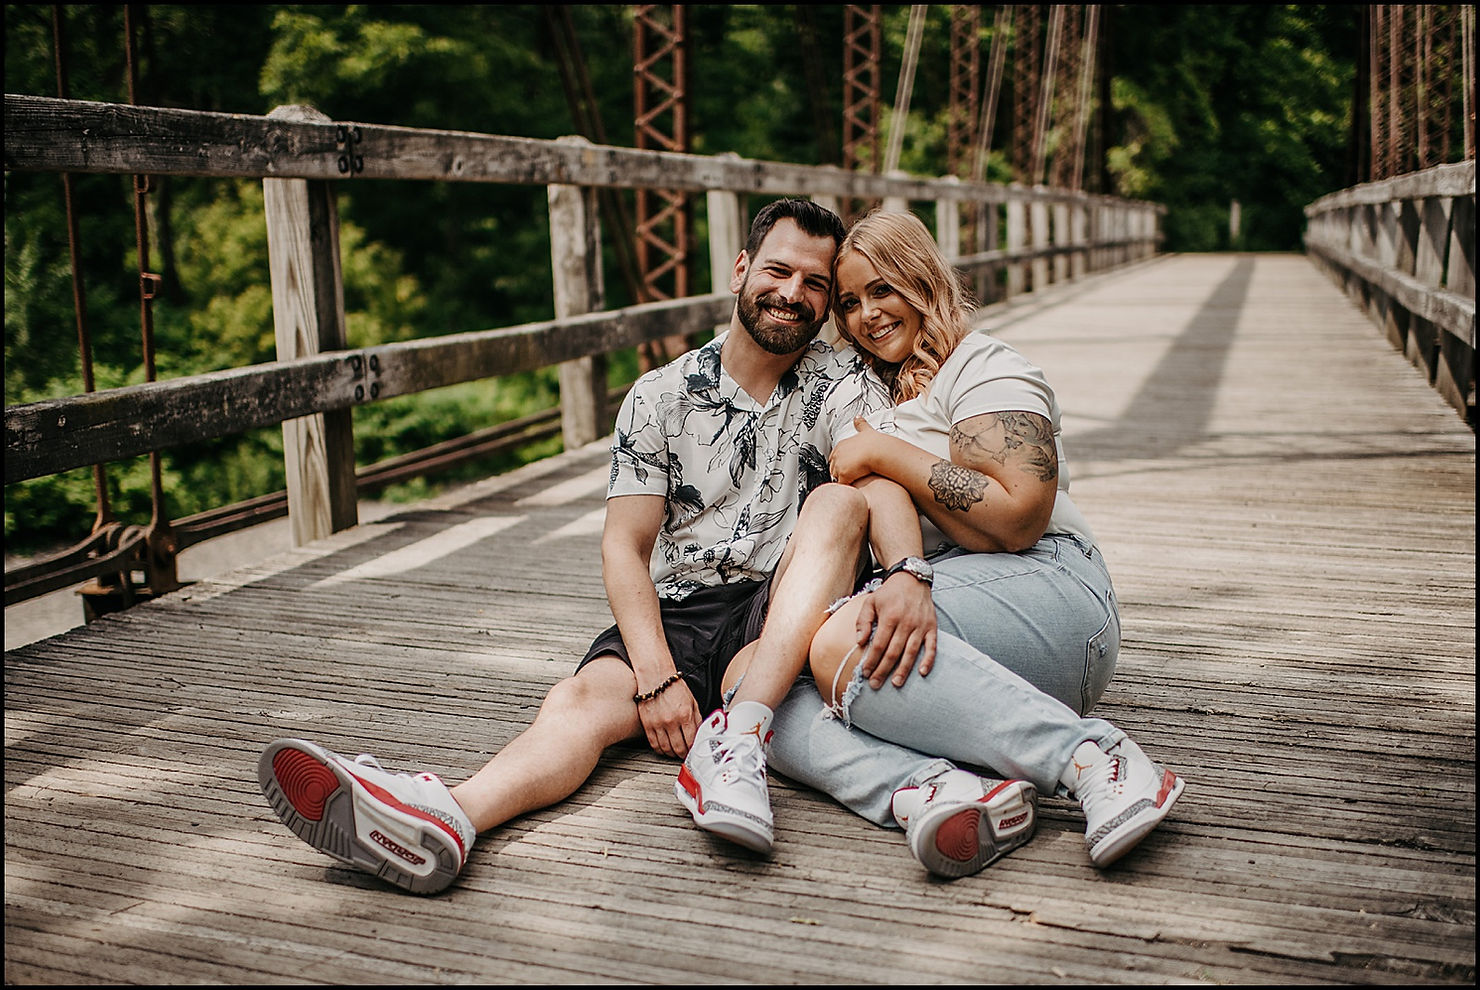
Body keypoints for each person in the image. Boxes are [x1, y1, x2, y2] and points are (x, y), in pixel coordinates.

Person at [256, 198, 1031, 894]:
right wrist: (656, 674)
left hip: (780, 602)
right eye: (778, 270)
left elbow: (875, 479)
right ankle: (447, 818)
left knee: (801, 607)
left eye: (816, 285)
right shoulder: (660, 395)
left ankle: (833, 763)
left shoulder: (840, 381)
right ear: (740, 269)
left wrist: (906, 572)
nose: (794, 293)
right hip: (680, 606)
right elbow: (624, 548)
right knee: (582, 701)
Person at [744, 209, 1186, 876]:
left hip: (1053, 590)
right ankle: (943, 791)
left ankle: (1095, 759)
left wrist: (886, 453)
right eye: (849, 302)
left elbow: (1018, 517)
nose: (867, 314)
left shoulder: (982, 368)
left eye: (883, 290)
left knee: (840, 640)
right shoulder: (867, 396)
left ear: (923, 281)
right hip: (960, 624)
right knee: (755, 677)